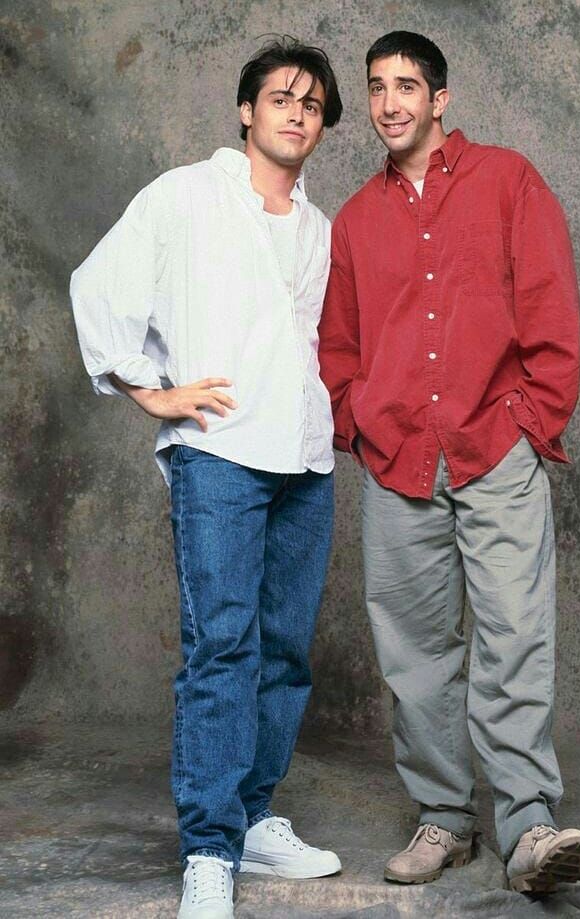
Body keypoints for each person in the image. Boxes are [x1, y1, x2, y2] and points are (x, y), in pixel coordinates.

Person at [70, 37, 343, 919]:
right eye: (279, 98)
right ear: (246, 111)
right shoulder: (186, 196)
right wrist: (150, 391)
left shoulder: (318, 226)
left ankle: (254, 813)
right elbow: (99, 284)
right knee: (220, 648)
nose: (296, 113)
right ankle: (208, 850)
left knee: (284, 649)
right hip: (219, 453)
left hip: (304, 455)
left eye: (311, 104)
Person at [318, 30, 580, 895]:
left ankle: (528, 829)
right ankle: (445, 817)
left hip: (493, 447)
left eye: (406, 85)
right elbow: (338, 347)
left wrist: (527, 420)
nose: (388, 102)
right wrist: (359, 425)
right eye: (375, 87)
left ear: (441, 99)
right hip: (399, 458)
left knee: (515, 636)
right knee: (414, 654)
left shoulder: (509, 182)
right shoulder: (357, 220)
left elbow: (550, 305)